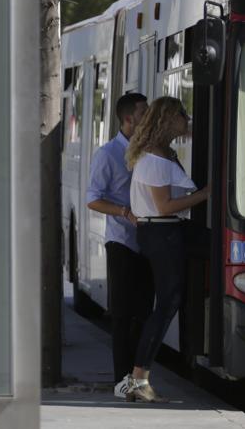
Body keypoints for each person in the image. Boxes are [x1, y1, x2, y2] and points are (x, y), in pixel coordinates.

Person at [122, 96, 210, 403]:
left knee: (217, 247)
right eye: (182, 115)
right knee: (166, 305)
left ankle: (138, 378)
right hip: (163, 231)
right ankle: (138, 378)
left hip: (167, 231)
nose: (187, 119)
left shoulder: (162, 154)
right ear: (168, 120)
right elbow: (164, 207)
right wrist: (206, 195)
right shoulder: (156, 161)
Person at [85, 92, 152, 398]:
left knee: (144, 315)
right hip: (122, 242)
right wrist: (124, 211)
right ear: (128, 119)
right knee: (123, 316)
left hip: (148, 244)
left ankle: (138, 380)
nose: (147, 118)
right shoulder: (107, 154)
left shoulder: (150, 154)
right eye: (143, 113)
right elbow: (93, 199)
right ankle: (122, 383)